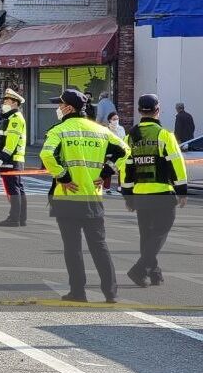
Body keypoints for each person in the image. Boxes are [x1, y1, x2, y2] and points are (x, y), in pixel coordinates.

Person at [40, 89, 129, 303]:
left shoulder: (59, 130)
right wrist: (106, 172)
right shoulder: (100, 130)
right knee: (99, 246)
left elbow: (46, 154)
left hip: (67, 197)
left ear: (69, 108)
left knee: (73, 248)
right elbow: (125, 150)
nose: (58, 108)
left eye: (60, 104)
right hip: (92, 197)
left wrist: (63, 176)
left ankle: (78, 292)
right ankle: (111, 292)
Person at [120, 94, 189, 288]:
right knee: (160, 232)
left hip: (140, 194)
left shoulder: (130, 137)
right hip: (162, 193)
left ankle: (154, 273)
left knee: (147, 235)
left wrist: (128, 196)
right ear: (157, 110)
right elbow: (177, 164)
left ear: (139, 110)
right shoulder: (164, 135)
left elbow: (126, 168)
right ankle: (139, 270)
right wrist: (182, 191)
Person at [0, 89, 28, 227]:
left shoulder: (15, 119)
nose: (4, 104)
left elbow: (11, 142)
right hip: (13, 159)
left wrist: (2, 158)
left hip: (11, 159)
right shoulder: (11, 118)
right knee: (18, 188)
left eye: (7, 101)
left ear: (15, 103)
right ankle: (20, 218)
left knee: (13, 190)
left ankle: (14, 219)